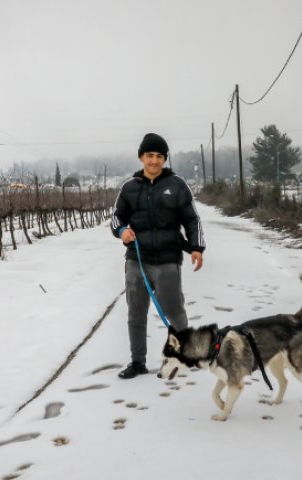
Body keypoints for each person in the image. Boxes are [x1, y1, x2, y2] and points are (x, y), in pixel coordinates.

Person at [110, 133, 205, 379]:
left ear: (165, 159)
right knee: (136, 313)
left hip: (167, 261)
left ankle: (186, 355)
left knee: (175, 311)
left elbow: (191, 218)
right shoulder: (129, 188)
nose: (154, 161)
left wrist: (196, 247)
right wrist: (122, 231)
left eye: (159, 156)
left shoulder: (176, 185)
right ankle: (137, 362)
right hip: (137, 262)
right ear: (141, 157)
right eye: (150, 155)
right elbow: (116, 217)